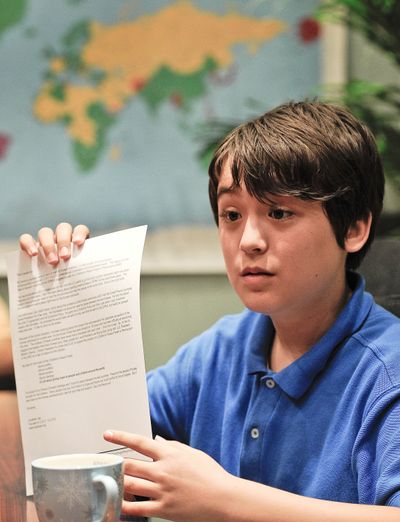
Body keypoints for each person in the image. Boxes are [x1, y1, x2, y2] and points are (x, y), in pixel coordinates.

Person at [20, 101, 400, 521]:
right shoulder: (220, 350)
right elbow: (95, 442)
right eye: (232, 215)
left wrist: (223, 499)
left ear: (354, 228)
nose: (249, 240)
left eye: (279, 212)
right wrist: (68, 291)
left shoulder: (388, 371)